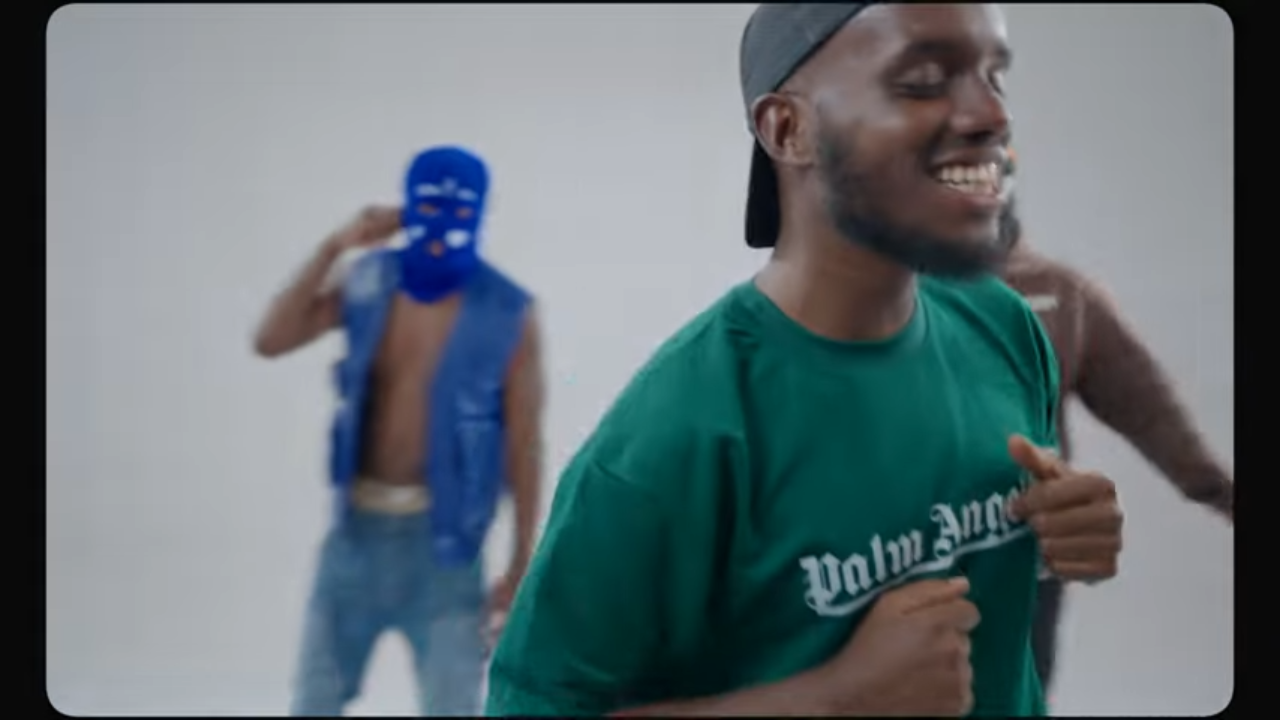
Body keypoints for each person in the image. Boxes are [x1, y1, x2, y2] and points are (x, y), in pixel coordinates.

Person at [485, 4, 1122, 717]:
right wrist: (832, 698)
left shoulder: (1001, 325)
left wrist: (1060, 531)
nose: (992, 116)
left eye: (993, 76)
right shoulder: (676, 436)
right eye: (922, 80)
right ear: (788, 129)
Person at [252, 146, 545, 716]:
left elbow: (524, 443)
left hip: (446, 549)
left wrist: (520, 564)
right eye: (429, 205)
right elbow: (271, 339)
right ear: (407, 208)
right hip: (354, 537)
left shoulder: (507, 310)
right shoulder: (370, 282)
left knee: (452, 708)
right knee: (313, 703)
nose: (443, 222)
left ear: (481, 211)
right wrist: (334, 246)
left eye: (460, 207)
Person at [996, 150, 1233, 695]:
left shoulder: (1060, 294)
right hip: (905, 557)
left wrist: (1218, 490)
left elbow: (1147, 409)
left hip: (1030, 554)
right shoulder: (879, 296)